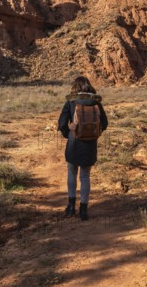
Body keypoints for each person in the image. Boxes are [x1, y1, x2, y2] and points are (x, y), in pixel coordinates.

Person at [57, 76, 108, 220]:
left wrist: (69, 134)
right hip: (90, 144)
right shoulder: (95, 101)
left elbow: (61, 123)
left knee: (72, 173)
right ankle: (84, 210)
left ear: (75, 86)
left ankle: (71, 206)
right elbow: (104, 123)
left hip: (74, 143)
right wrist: (93, 134)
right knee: (85, 176)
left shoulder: (71, 101)